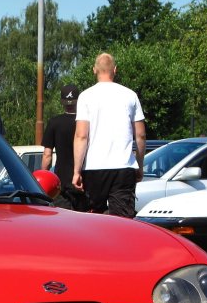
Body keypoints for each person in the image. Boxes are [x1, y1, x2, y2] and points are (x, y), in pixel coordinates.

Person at [72, 53, 146, 218]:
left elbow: (81, 135)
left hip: (94, 168)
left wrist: (77, 170)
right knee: (123, 220)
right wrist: (140, 165)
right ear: (115, 70)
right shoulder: (130, 95)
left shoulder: (85, 96)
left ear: (94, 70)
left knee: (93, 218)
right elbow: (140, 135)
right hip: (123, 166)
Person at [41, 83, 87, 211]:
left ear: (62, 102)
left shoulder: (54, 123)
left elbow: (47, 155)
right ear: (78, 102)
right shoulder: (85, 123)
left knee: (65, 220)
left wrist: (43, 174)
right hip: (83, 180)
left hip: (61, 182)